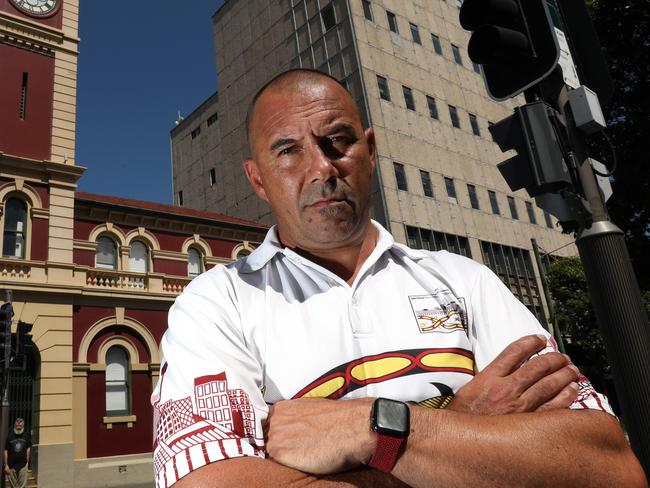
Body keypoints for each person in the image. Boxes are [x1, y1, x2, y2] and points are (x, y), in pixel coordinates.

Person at [151, 69, 646, 488]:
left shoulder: (463, 280)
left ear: (369, 150)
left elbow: (609, 465)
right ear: (257, 179)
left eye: (338, 141)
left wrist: (375, 431)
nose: (322, 167)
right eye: (288, 151)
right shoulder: (217, 302)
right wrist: (464, 430)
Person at [4, 418, 30, 488]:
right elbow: (6, 450)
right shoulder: (10, 436)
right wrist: (6, 465)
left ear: (23, 424)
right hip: (11, 466)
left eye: (21, 422)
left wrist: (27, 461)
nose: (19, 423)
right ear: (15, 424)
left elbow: (28, 448)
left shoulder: (26, 435)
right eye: (17, 422)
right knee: (14, 486)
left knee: (22, 486)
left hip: (23, 465)